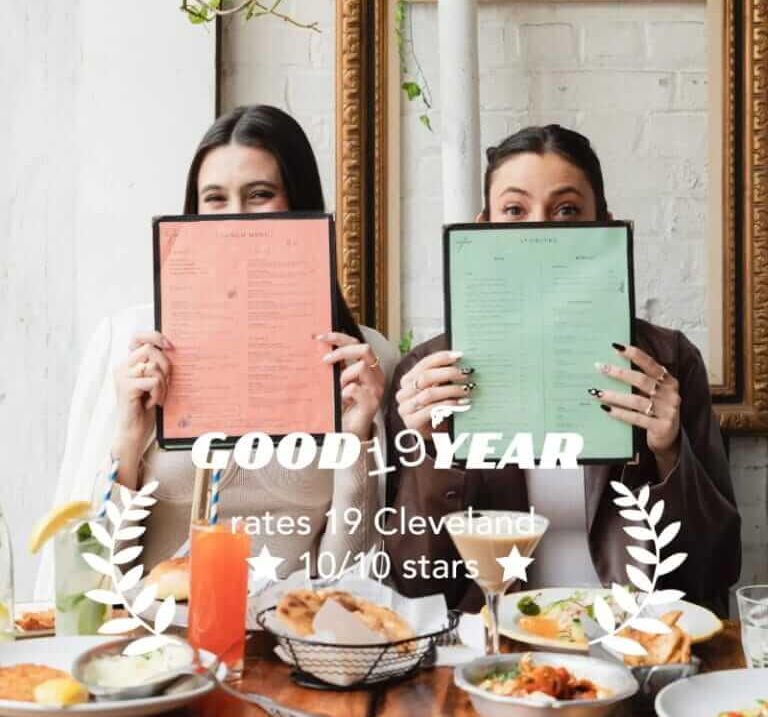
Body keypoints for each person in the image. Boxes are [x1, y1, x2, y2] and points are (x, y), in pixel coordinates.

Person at [35, 105, 399, 598]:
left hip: (292, 646)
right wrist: (128, 435)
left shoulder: (364, 357)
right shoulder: (131, 343)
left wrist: (355, 443)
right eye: (215, 199)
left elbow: (354, 585)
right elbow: (87, 580)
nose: (234, 218)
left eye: (260, 195)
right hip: (158, 648)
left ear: (300, 204)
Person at [385, 124, 740, 617]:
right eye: (514, 210)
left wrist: (668, 453)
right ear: (483, 227)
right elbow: (413, 583)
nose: (539, 229)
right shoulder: (429, 373)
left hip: (632, 644)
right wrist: (430, 452)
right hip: (494, 651)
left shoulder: (669, 362)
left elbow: (715, 569)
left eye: (567, 210)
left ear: (606, 225)